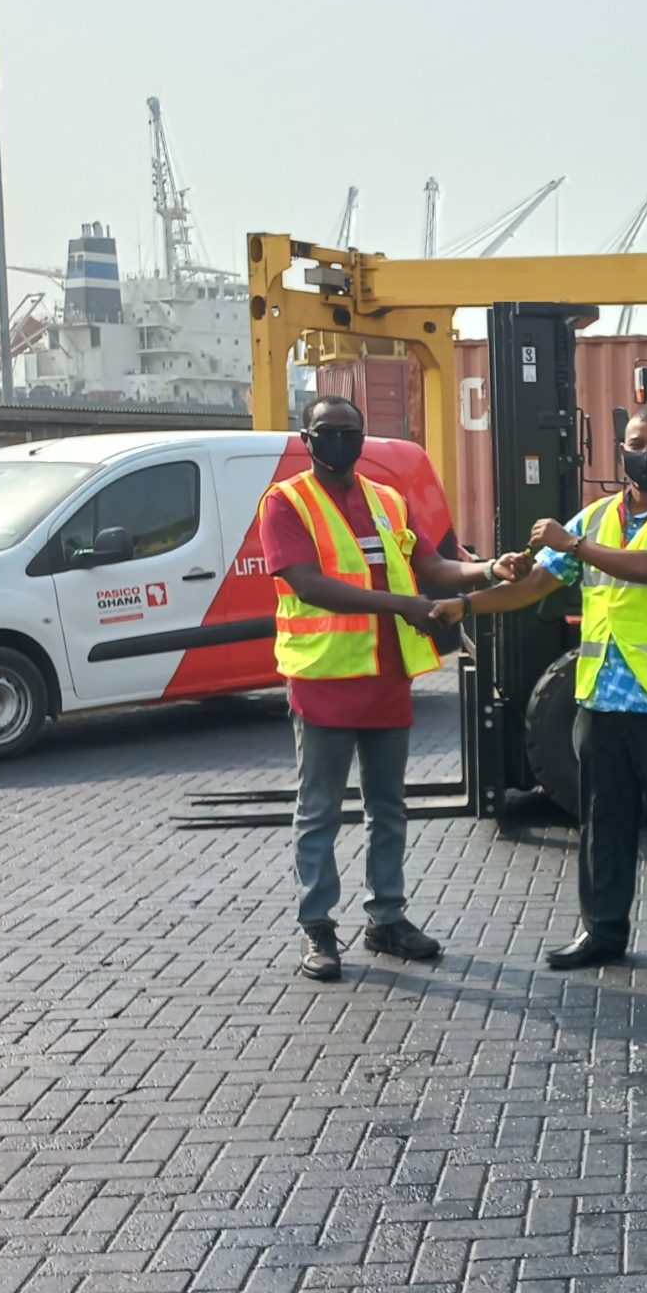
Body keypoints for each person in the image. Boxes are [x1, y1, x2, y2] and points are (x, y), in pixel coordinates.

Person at [456, 406, 647, 981]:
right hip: (601, 700)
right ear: (619, 450)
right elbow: (533, 586)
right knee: (601, 824)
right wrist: (469, 600)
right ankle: (602, 932)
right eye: (635, 443)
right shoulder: (597, 517)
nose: (644, 454)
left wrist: (572, 545)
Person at [260, 395, 504, 982]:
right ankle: (317, 927)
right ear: (307, 437)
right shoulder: (285, 502)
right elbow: (309, 585)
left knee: (387, 808)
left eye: (350, 431)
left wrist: (492, 569)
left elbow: (436, 569)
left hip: (386, 675)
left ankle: (386, 918)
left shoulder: (387, 501)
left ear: (363, 437)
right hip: (323, 678)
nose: (340, 441)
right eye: (328, 431)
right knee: (319, 809)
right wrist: (403, 606)